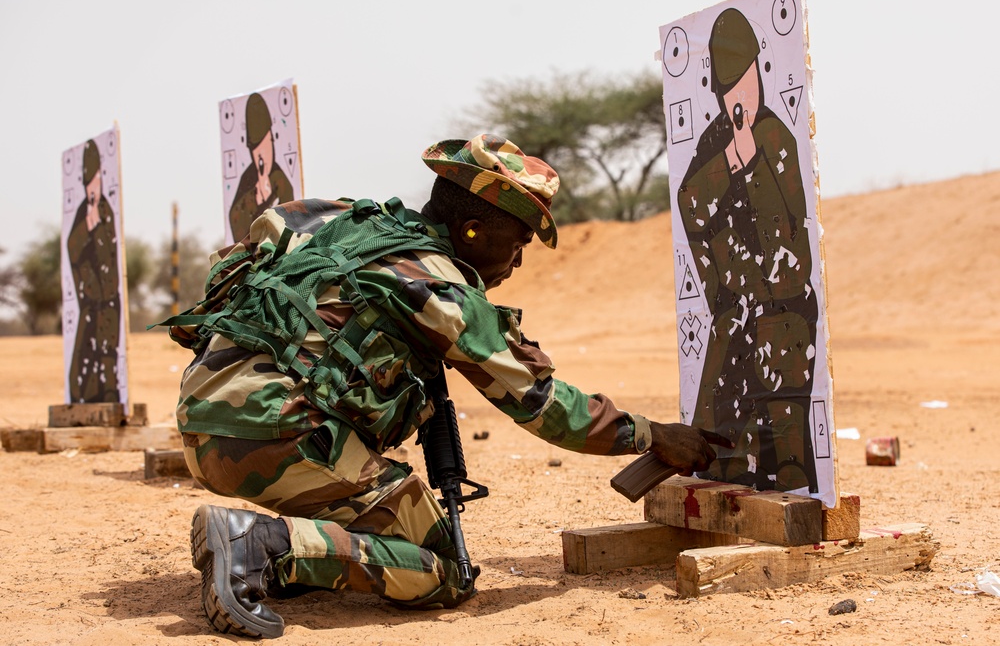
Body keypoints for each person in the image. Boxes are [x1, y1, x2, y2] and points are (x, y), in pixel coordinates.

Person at [167, 134, 730, 639]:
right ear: (472, 229)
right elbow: (544, 406)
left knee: (378, 510)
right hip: (277, 435)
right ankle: (263, 546)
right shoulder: (444, 291)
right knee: (439, 572)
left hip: (202, 416)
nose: (516, 262)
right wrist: (653, 435)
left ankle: (287, 549)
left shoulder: (338, 220)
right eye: (517, 244)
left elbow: (229, 274)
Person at [677, 8, 818, 493]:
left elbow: (790, 222)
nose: (741, 97)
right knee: (724, 428)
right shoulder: (714, 141)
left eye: (747, 81)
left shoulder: (777, 136)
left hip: (782, 309)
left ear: (760, 72)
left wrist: (752, 162)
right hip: (735, 306)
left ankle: (790, 482)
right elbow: (690, 203)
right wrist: (730, 159)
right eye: (730, 88)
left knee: (785, 438)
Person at [66, 139, 121, 403]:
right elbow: (73, 248)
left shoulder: (105, 210)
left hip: (110, 298)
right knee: (87, 351)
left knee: (109, 349)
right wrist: (88, 226)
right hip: (92, 301)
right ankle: (84, 394)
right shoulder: (84, 213)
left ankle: (110, 392)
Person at [228, 92, 295, 241]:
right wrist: (255, 199)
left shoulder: (278, 177)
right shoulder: (248, 179)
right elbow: (235, 216)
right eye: (257, 150)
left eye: (266, 144)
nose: (262, 156)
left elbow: (291, 218)